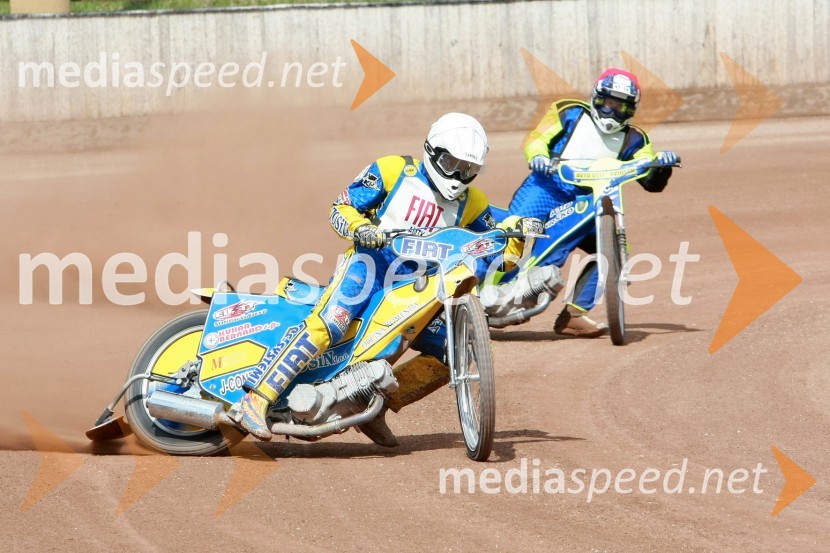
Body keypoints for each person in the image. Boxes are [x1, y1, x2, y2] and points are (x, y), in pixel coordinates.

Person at [220, 113, 537, 445]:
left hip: (417, 287)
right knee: (331, 321)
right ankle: (254, 400)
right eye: (452, 163)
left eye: (468, 169)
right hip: (368, 267)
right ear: (432, 151)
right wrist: (361, 228)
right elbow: (340, 208)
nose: (459, 176)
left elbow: (503, 258)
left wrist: (518, 231)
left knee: (453, 351)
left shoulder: (474, 203)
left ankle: (375, 404)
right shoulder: (392, 170)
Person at [512, 67, 679, 337]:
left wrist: (662, 166)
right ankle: (485, 291)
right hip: (546, 187)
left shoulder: (635, 140)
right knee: (512, 234)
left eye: (621, 107)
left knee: (613, 252)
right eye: (609, 103)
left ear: (631, 110)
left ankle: (575, 315)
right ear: (597, 97)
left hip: (589, 200)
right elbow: (538, 139)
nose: (613, 112)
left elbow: (651, 182)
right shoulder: (569, 112)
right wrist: (539, 156)